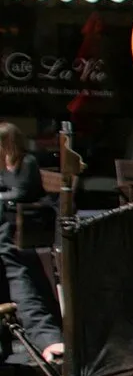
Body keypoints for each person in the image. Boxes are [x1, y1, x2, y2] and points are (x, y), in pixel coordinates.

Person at [0, 122, 62, 363]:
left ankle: (46, 337)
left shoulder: (26, 162)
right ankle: (45, 337)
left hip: (27, 220)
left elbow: (22, 192)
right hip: (10, 222)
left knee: (11, 259)